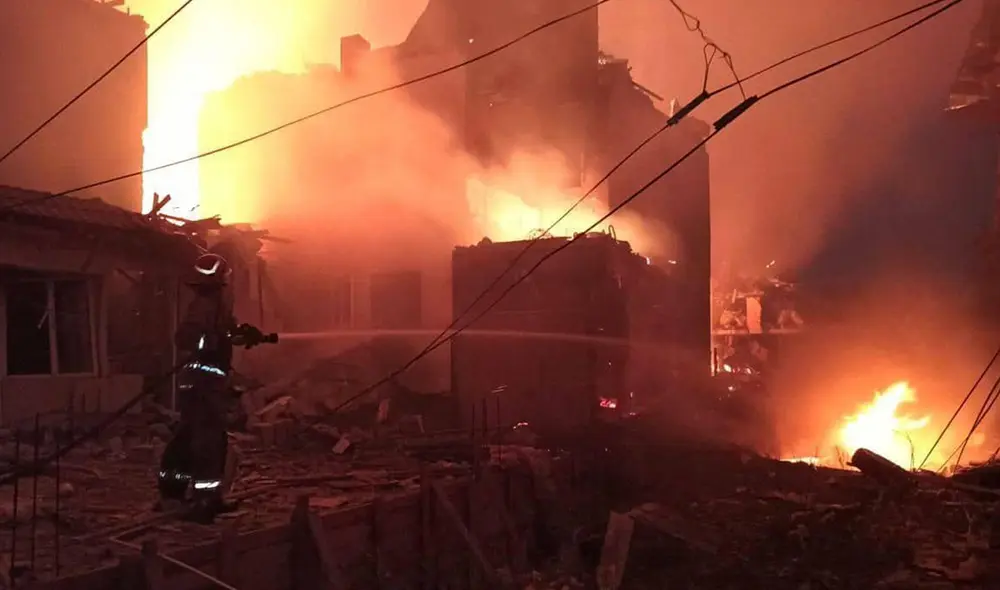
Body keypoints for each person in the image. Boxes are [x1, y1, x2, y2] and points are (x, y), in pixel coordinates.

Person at [157, 252, 275, 522]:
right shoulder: (204, 305)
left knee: (190, 437)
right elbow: (185, 338)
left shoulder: (216, 307)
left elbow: (227, 332)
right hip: (203, 382)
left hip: (205, 380)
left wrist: (241, 335)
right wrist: (207, 341)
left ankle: (174, 493)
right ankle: (204, 501)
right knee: (208, 441)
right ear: (220, 283)